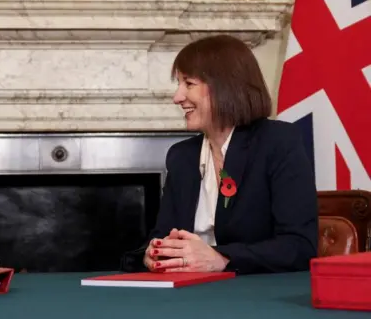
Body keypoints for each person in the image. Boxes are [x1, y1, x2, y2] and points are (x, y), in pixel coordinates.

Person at [121, 34, 318, 275]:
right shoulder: (181, 156)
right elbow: (161, 234)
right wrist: (153, 253)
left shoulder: (277, 142)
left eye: (189, 84)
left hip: (253, 295)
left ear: (225, 87)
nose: (177, 97)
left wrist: (222, 258)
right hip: (184, 294)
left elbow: (299, 246)